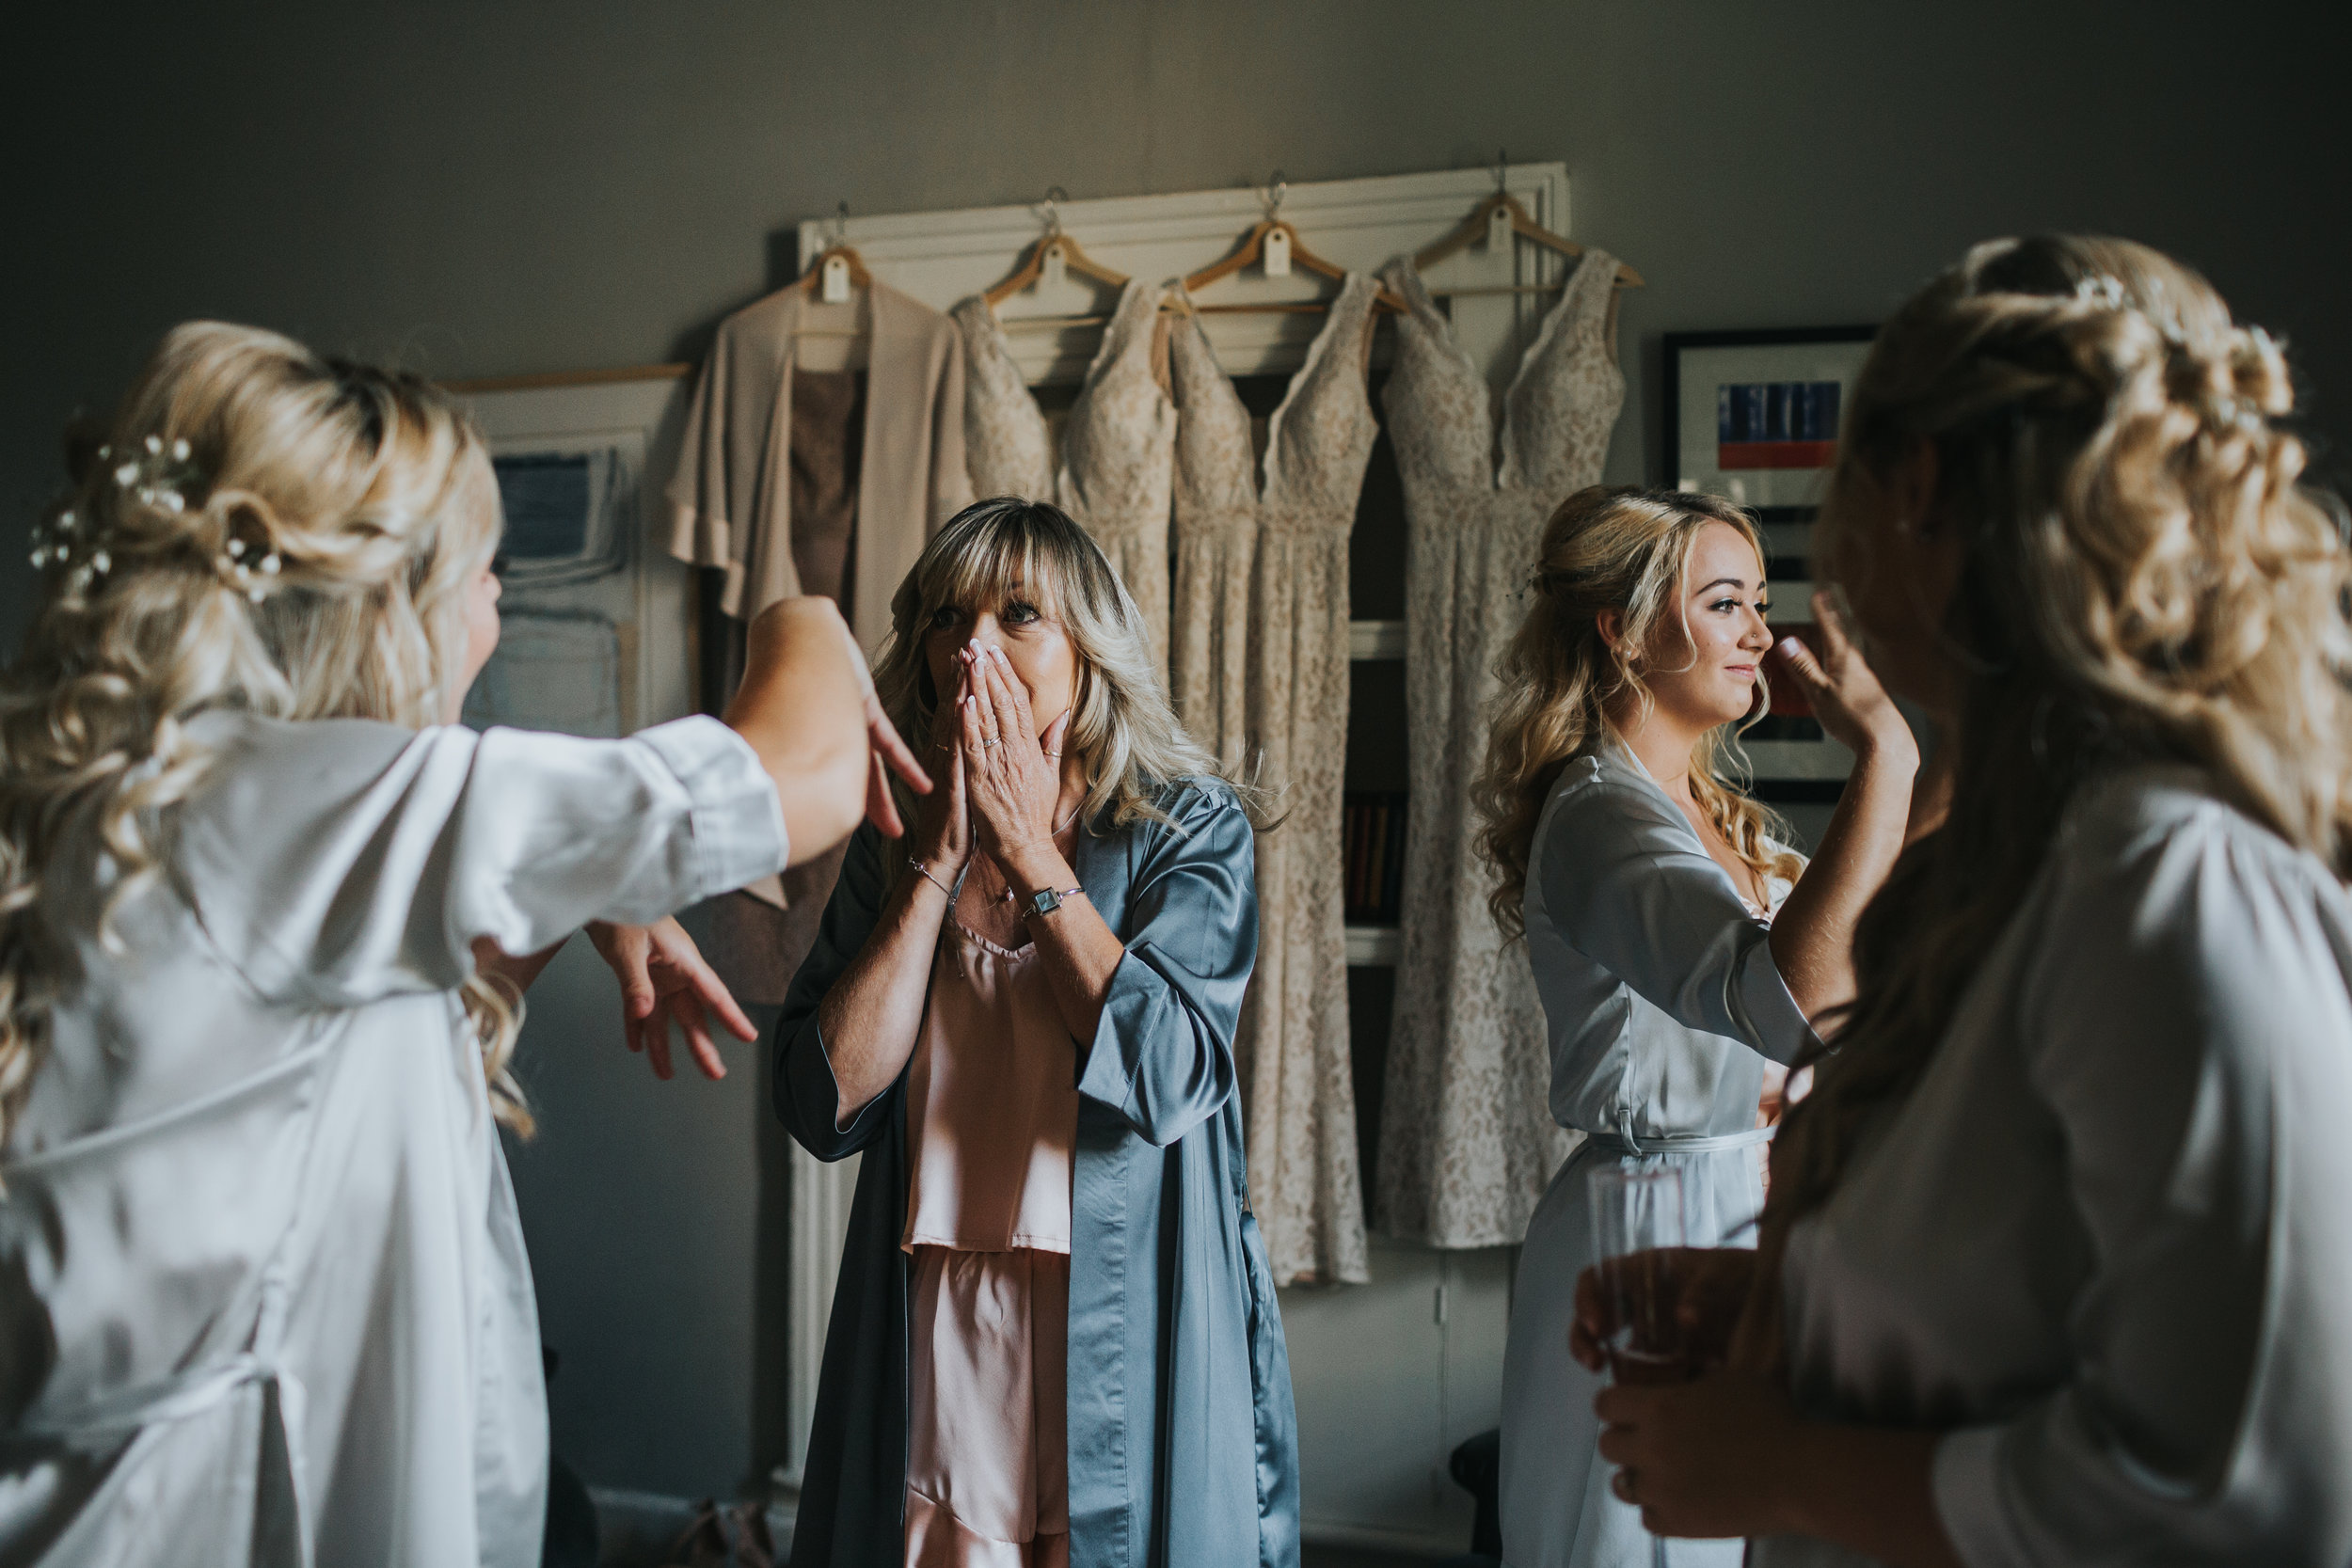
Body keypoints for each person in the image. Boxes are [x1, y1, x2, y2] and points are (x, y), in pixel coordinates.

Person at [0, 321, 926, 1568]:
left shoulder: (170, 814)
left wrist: (571, 897)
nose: (494, 606)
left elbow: (324, 1077)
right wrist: (799, 609)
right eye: (484, 571)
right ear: (393, 603)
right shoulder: (308, 800)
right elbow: (802, 774)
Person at [1576, 236, 2352, 1568]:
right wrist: (1794, 1307)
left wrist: (1790, 1461)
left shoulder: (2169, 879)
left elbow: (2264, 1489)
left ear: (1915, 487)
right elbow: (2039, 1283)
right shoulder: (2027, 852)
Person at [775, 497, 1297, 1568]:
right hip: (936, 1309)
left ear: (1088, 652)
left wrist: (1029, 850)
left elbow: (1165, 1072)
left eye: (1017, 613)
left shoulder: (1187, 826)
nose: (970, 644)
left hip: (1124, 1305)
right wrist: (936, 865)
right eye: (943, 618)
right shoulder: (897, 837)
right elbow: (819, 1099)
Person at [1476, 485, 1920, 1568]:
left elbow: (1870, 960)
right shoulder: (1597, 816)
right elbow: (1784, 1004)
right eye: (1726, 603)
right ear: (1625, 630)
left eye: (1758, 602)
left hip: (1754, 1209)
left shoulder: (1720, 821)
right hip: (1650, 1217)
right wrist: (1889, 756)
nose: (1762, 634)